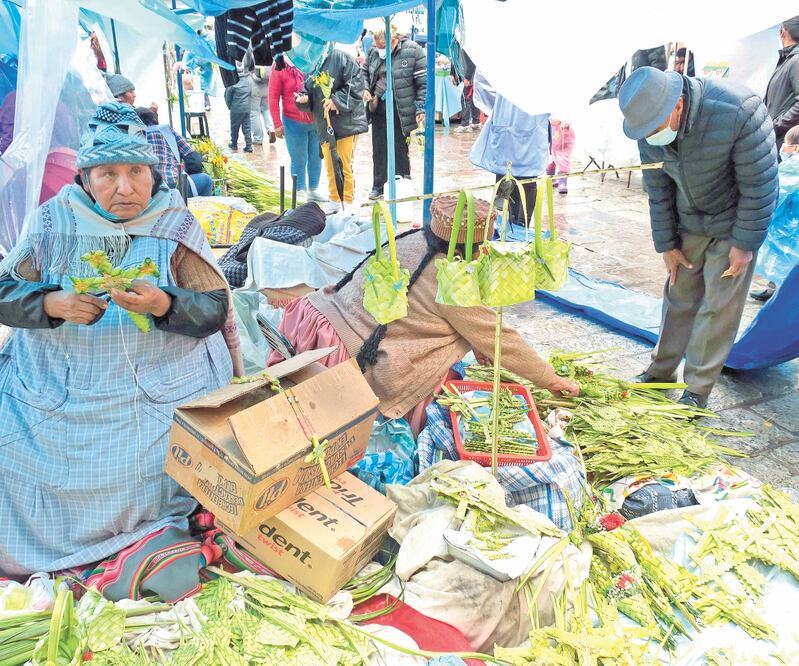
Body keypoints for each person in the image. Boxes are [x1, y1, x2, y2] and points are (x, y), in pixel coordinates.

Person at [0, 102, 242, 599]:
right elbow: (5, 294)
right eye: (108, 173)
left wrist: (164, 302)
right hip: (59, 388)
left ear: (153, 174)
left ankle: (151, 535)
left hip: (159, 384)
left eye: (136, 172)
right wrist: (52, 302)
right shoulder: (52, 223)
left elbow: (215, 310)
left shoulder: (174, 225)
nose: (125, 188)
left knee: (154, 458)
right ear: (85, 178)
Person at [269, 195, 579, 433]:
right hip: (347, 352)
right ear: (472, 245)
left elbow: (471, 328)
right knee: (435, 372)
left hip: (318, 317)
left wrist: (475, 343)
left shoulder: (410, 238)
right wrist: (550, 379)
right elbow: (500, 338)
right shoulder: (453, 279)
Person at [619, 66, 778, 408]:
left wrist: (744, 245)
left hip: (733, 224)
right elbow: (657, 189)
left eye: (656, 129)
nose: (651, 136)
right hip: (688, 220)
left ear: (677, 105)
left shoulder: (739, 110)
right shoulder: (647, 127)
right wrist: (667, 244)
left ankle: (697, 389)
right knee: (679, 294)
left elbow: (761, 186)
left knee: (718, 306)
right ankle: (660, 372)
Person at [295, 45, 367, 208]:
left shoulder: (343, 58)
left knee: (343, 164)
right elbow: (307, 90)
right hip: (323, 122)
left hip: (347, 122)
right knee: (330, 165)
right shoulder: (311, 64)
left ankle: (346, 202)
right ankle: (334, 200)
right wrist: (304, 99)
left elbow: (355, 87)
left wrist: (336, 101)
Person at [470, 83, 550, 225]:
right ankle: (508, 223)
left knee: (526, 178)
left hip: (527, 125)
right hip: (507, 125)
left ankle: (521, 224)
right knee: (506, 176)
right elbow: (484, 87)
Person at [362, 24, 427, 200]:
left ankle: (402, 182)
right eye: (377, 46)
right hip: (378, 105)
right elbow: (365, 73)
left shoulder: (413, 51)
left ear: (393, 39)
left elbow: (423, 82)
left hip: (401, 107)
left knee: (400, 147)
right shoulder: (373, 52)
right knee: (379, 148)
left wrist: (421, 107)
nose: (379, 50)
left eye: (382, 46)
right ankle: (378, 186)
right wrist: (366, 89)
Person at [751, 124, 799, 301]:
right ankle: (777, 291)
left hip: (790, 224)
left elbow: (776, 194)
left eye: (785, 144)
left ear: (794, 147)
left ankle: (780, 296)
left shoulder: (793, 165)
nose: (782, 148)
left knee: (783, 259)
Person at [269, 55, 324, 202]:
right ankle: (299, 191)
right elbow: (273, 96)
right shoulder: (280, 64)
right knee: (299, 159)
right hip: (293, 122)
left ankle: (313, 189)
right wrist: (277, 124)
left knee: (316, 157)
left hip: (316, 119)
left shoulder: (317, 58)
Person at [135, 107, 213, 198]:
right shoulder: (166, 131)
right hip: (173, 185)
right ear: (153, 119)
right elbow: (194, 161)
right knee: (206, 180)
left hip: (147, 189)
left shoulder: (132, 136)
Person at [764, 16, 799, 153]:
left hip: (786, 141)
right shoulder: (789, 59)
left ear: (783, 33)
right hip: (779, 139)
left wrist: (774, 125)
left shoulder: (796, 60)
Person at [244, 50, 276, 146]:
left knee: (254, 112)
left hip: (254, 85)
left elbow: (245, 65)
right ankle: (270, 129)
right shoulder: (267, 42)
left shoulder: (250, 45)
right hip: (267, 83)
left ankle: (258, 138)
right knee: (266, 109)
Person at [224, 64, 253, 152]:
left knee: (234, 127)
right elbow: (250, 93)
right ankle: (249, 146)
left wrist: (230, 106)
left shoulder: (232, 82)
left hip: (236, 108)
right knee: (247, 127)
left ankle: (234, 144)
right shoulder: (248, 81)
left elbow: (227, 96)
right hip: (247, 108)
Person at [452, 48, 479, 133]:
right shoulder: (456, 45)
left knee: (465, 98)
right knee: (472, 98)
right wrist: (452, 74)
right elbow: (454, 59)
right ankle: (476, 122)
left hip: (471, 77)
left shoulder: (467, 45)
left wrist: (467, 77)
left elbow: (472, 63)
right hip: (470, 77)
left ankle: (465, 124)